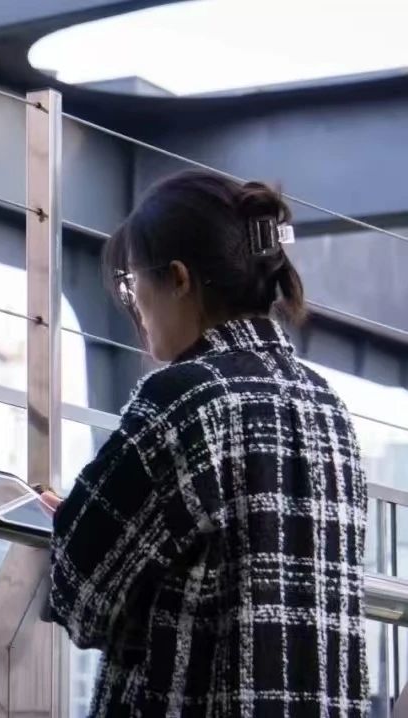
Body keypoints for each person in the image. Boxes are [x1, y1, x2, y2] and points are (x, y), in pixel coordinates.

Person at [44, 170, 369, 717]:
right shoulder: (328, 407)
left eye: (131, 284)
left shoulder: (183, 398)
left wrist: (73, 520)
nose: (134, 306)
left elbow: (81, 600)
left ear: (177, 279)